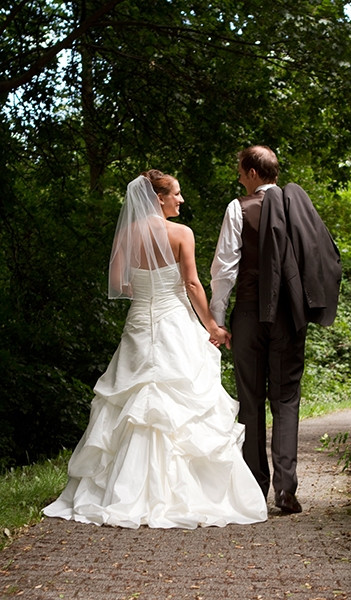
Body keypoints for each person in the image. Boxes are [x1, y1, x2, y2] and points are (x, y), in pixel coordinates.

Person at [43, 170, 267, 529]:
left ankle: (121, 491)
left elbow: (118, 283)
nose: (180, 200)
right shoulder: (180, 233)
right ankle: (183, 493)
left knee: (132, 404)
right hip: (174, 321)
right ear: (158, 198)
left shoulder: (127, 234)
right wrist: (213, 326)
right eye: (175, 194)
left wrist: (147, 291)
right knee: (180, 403)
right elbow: (192, 283)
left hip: (139, 323)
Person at [210, 146, 342, 514]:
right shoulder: (301, 210)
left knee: (250, 401)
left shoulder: (239, 208)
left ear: (253, 173)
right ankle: (286, 491)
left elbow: (225, 269)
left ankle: (255, 489)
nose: (238, 176)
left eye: (240, 170)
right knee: (286, 400)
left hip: (251, 314)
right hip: (289, 318)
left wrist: (218, 319)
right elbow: (323, 256)